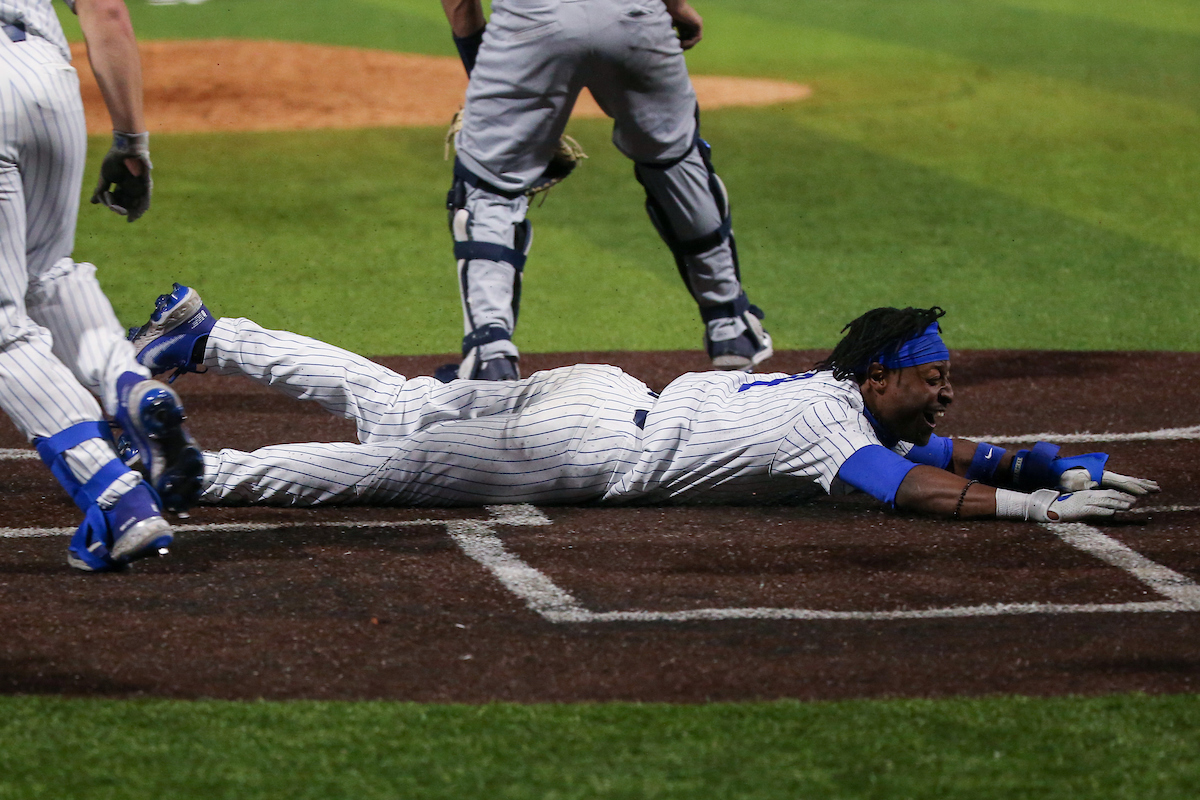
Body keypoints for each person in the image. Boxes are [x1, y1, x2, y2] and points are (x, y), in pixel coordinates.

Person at [127, 285, 1156, 521]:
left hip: (606, 394)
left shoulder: (841, 393)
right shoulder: (833, 425)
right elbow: (910, 485)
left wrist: (1041, 458)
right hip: (587, 447)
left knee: (395, 401)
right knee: (395, 463)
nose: (945, 394)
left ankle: (207, 334)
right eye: (933, 379)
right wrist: (1035, 506)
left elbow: (946, 446)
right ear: (883, 378)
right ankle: (202, 474)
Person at [437, 0, 773, 381]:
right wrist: (676, 8)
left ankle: (489, 355)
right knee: (676, 163)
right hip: (634, 17)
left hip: (532, 25)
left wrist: (481, 69)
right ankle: (730, 325)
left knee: (489, 187)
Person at [0, 0, 202, 572]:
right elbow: (106, 10)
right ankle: (130, 384)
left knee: (2, 329)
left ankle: (118, 498)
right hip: (46, 75)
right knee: (48, 272)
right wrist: (132, 144)